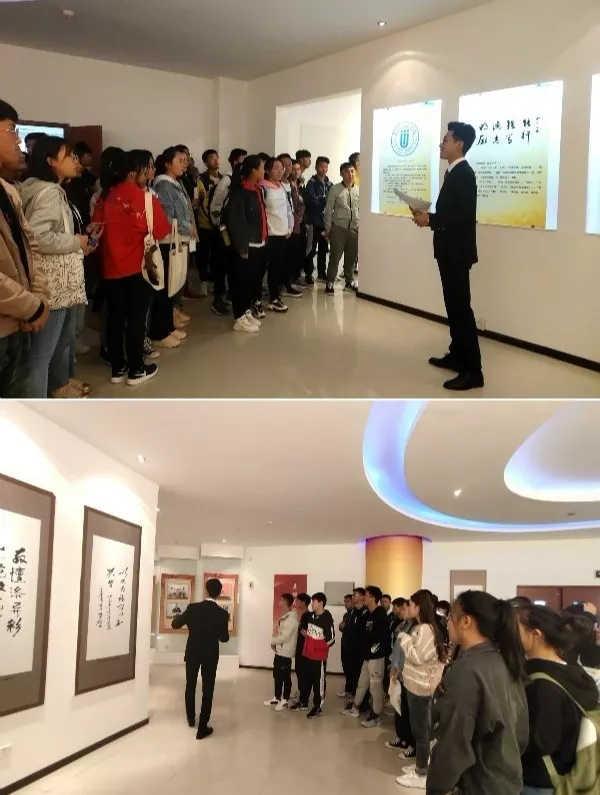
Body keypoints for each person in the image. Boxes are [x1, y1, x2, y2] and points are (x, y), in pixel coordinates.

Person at [424, 590, 528, 795]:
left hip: (478, 783)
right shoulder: (506, 661)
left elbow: (452, 743)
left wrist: (437, 788)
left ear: (466, 622)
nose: (447, 623)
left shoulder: (467, 670)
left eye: (450, 617)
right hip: (505, 779)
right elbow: (521, 732)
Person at [413, 121, 483, 392]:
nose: (441, 144)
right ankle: (457, 356)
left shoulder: (464, 173)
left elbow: (462, 216)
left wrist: (430, 220)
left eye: (446, 139)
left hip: (457, 252)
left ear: (459, 144)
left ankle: (473, 371)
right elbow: (451, 213)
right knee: (454, 307)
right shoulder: (453, 172)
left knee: (461, 309)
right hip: (448, 250)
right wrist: (429, 218)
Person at [92, 149, 169, 386]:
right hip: (138, 268)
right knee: (136, 319)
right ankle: (136, 369)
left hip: (110, 268)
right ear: (133, 172)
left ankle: (118, 368)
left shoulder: (103, 198)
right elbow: (162, 231)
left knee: (115, 318)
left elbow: (95, 231)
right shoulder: (145, 199)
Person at [21, 136, 90, 398]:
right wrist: (75, 242)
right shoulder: (49, 193)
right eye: (68, 156)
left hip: (57, 280)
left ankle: (59, 386)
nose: (75, 161)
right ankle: (39, 408)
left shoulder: (46, 189)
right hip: (53, 282)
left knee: (58, 343)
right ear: (51, 162)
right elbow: (39, 237)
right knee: (42, 354)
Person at [517, 604, 598, 795]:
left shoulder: (543, 684)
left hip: (540, 782)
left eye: (515, 630)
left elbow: (543, 741)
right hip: (567, 775)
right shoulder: (574, 673)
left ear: (536, 634)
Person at [0, 99, 49, 397]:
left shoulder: (9, 191)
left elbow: (31, 248)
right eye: (11, 130)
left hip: (17, 321)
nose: (18, 141)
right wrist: (31, 306)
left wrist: (37, 296)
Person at [394, 589, 447, 789]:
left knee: (422, 731)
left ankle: (422, 773)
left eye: (409, 604)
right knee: (419, 730)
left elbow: (417, 657)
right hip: (414, 686)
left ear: (418, 607)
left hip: (421, 689)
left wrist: (405, 639)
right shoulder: (421, 628)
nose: (406, 608)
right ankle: (420, 765)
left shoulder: (425, 629)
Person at [171, 577, 230, 740]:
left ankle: (191, 718)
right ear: (219, 593)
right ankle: (202, 727)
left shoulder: (193, 608)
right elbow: (224, 638)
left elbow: (175, 624)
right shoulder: (222, 614)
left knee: (190, 685)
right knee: (208, 689)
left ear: (205, 590)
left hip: (193, 653)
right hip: (210, 655)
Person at [150, 146, 194, 349]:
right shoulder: (163, 185)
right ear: (168, 164)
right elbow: (166, 216)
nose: (184, 164)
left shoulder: (175, 183)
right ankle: (159, 332)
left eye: (185, 161)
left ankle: (168, 326)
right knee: (166, 287)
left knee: (172, 285)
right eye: (180, 161)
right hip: (168, 241)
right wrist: (187, 227)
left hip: (177, 239)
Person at [226, 154, 268, 333]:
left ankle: (245, 311)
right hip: (246, 246)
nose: (264, 171)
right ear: (253, 170)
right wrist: (242, 247)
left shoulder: (256, 189)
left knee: (251, 281)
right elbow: (237, 223)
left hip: (258, 243)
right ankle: (239, 318)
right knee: (241, 282)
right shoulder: (241, 192)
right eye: (262, 168)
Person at [341, 585, 391, 728]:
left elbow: (382, 640)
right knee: (362, 683)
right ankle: (355, 708)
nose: (364, 597)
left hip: (376, 658)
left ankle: (376, 715)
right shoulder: (368, 614)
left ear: (373, 598)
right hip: (367, 657)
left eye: (366, 595)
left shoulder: (380, 615)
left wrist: (371, 652)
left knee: (376, 687)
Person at [261, 156, 295, 313]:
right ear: (268, 170)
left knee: (276, 268)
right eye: (276, 168)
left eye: (281, 168)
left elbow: (288, 209)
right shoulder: (263, 188)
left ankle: (274, 297)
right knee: (263, 268)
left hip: (282, 234)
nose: (280, 171)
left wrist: (290, 226)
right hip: (269, 235)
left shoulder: (281, 187)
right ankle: (257, 299)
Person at [197, 149, 227, 312]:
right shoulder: (201, 179)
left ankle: (217, 285)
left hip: (219, 224)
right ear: (205, 162)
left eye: (217, 157)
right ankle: (203, 282)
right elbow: (202, 200)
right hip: (205, 223)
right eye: (211, 158)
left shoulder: (224, 179)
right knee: (204, 254)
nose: (215, 160)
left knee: (218, 256)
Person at [297, 591, 335, 719]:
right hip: (307, 655)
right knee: (305, 679)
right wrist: (308, 637)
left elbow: (331, 640)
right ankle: (303, 702)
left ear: (321, 603)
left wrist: (317, 646)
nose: (312, 604)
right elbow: (311, 634)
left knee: (318, 683)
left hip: (318, 658)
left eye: (314, 602)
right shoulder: (311, 616)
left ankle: (318, 707)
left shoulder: (327, 618)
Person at [324, 162, 359, 294]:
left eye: (352, 171)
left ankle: (349, 282)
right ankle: (330, 282)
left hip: (354, 229)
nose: (350, 174)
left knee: (351, 258)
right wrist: (328, 229)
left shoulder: (358, 190)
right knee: (335, 257)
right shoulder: (335, 189)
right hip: (339, 228)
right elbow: (328, 210)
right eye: (347, 171)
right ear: (341, 173)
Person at [264, 592, 299, 712]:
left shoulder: (291, 619)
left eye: (281, 600)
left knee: (285, 677)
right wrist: (275, 642)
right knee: (277, 675)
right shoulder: (285, 617)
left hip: (286, 653)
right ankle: (277, 697)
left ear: (285, 602)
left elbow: (285, 637)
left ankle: (285, 700)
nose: (279, 602)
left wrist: (273, 641)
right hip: (279, 651)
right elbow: (279, 633)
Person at [304, 156, 331, 283]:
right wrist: (324, 202)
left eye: (326, 167)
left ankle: (321, 273)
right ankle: (308, 274)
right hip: (313, 221)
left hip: (325, 222)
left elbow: (332, 201)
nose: (323, 169)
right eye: (321, 166)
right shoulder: (311, 183)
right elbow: (312, 202)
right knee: (311, 249)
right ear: (316, 167)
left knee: (323, 249)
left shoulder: (329, 184)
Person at [290, 592, 311, 711]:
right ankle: (301, 696)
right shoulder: (303, 615)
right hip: (300, 649)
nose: (296, 602)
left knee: (303, 674)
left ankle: (303, 701)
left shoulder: (307, 616)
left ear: (303, 602)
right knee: (300, 673)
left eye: (298, 600)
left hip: (304, 650)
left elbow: (305, 633)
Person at [287, 159, 306, 290]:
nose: (296, 172)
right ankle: (287, 280)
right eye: (294, 169)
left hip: (298, 223)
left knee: (297, 252)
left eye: (298, 169)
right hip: (291, 224)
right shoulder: (288, 185)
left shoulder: (299, 184)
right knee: (290, 254)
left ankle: (294, 277)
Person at [338, 593, 355, 698]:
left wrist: (345, 626)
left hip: (353, 647)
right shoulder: (346, 615)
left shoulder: (356, 614)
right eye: (344, 602)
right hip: (345, 644)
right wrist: (342, 626)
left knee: (352, 669)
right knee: (346, 668)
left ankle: (353, 692)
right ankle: (348, 689)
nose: (345, 604)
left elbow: (351, 628)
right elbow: (341, 627)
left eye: (347, 601)